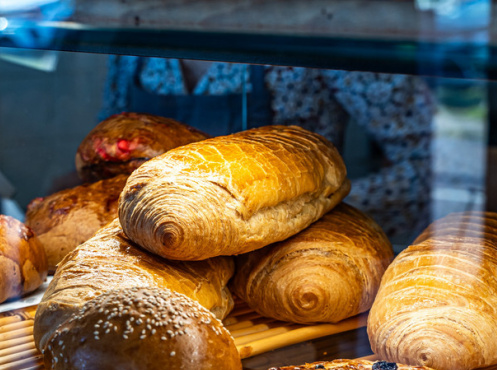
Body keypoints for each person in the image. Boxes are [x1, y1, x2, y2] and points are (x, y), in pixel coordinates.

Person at [100, 57, 435, 244]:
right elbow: (110, 154)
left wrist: (313, 211)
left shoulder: (310, 21)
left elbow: (438, 160)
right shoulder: (134, 33)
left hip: (290, 256)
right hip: (153, 253)